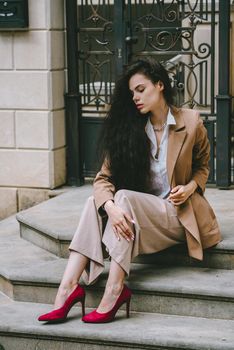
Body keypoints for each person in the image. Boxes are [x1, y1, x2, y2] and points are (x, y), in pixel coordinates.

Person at [38, 57, 221, 324]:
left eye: (141, 89)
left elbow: (203, 166)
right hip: (139, 218)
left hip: (178, 215)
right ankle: (67, 288)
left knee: (122, 198)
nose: (135, 97)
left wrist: (190, 187)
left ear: (160, 85)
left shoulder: (191, 122)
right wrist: (110, 208)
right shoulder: (130, 130)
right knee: (98, 202)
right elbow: (103, 179)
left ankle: (115, 289)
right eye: (131, 92)